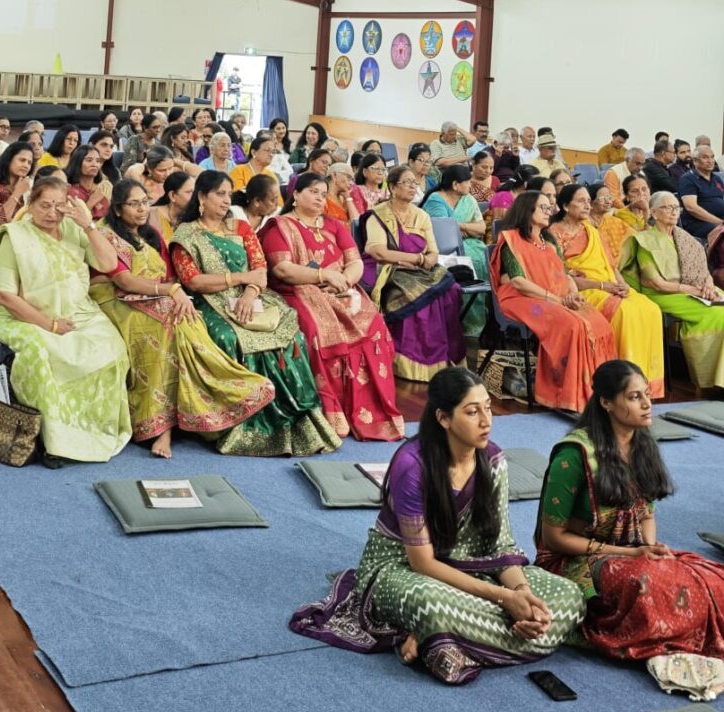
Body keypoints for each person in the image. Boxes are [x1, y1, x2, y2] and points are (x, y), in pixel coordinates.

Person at [291, 367, 585, 685]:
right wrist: (503, 600)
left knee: (568, 596)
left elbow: (499, 547)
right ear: (443, 418)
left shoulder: (494, 461)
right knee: (431, 603)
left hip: (475, 568)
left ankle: (442, 637)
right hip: (403, 569)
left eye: (488, 407)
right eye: (472, 412)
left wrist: (522, 595)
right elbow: (423, 563)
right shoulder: (412, 466)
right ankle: (447, 630)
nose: (487, 420)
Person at [536, 360, 724, 660]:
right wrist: (629, 555)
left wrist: (650, 548)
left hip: (632, 552)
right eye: (635, 397)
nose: (648, 404)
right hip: (575, 560)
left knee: (710, 577)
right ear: (606, 402)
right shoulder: (575, 455)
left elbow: (646, 513)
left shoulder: (642, 444)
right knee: (647, 586)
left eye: (647, 394)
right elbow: (553, 538)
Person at [90, 179, 274, 458]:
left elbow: (171, 277)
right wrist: (171, 291)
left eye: (144, 202)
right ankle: (159, 428)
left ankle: (205, 404)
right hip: (114, 299)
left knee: (185, 317)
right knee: (166, 324)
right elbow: (124, 280)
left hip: (156, 296)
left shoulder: (149, 235)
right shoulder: (105, 234)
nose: (141, 209)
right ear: (117, 209)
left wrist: (176, 294)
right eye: (133, 204)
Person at [169, 171, 342, 456]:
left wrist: (249, 294)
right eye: (219, 194)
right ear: (201, 197)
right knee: (227, 338)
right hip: (210, 302)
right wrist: (238, 280)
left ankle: (298, 423)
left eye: (228, 194)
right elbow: (193, 281)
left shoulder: (240, 228)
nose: (227, 200)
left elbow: (261, 271)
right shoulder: (186, 235)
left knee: (293, 337)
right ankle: (239, 424)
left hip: (252, 297)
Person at [0, 175, 131, 464]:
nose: (52, 213)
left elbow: (109, 264)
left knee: (111, 347)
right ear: (30, 204)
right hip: (22, 316)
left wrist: (88, 224)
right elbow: (6, 296)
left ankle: (93, 429)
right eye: (45, 205)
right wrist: (50, 326)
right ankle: (53, 440)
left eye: (60, 206)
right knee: (44, 350)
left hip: (77, 311)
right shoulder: (16, 237)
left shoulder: (75, 230)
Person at [259, 173, 404, 440]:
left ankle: (368, 413)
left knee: (375, 327)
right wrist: (323, 276)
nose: (319, 197)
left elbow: (355, 261)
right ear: (296, 194)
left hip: (341, 288)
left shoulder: (335, 225)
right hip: (297, 290)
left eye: (323, 193)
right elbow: (283, 269)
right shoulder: (278, 226)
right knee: (316, 331)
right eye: (312, 191)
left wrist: (344, 281)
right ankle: (332, 414)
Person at [489, 190, 616, 412]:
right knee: (572, 325)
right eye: (544, 208)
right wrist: (556, 299)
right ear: (528, 210)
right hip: (519, 298)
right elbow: (517, 281)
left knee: (598, 321)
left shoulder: (549, 242)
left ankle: (598, 391)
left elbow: (565, 274)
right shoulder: (511, 239)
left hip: (553, 295)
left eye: (551, 207)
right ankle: (564, 394)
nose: (551, 212)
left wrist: (573, 293)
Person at [549, 185, 665, 398]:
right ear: (565, 206)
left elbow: (611, 266)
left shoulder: (592, 231)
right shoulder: (554, 234)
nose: (587, 204)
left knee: (650, 309)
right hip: (586, 290)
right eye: (581, 200)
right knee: (624, 313)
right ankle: (622, 383)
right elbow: (562, 276)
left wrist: (622, 285)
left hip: (609, 285)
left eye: (587, 200)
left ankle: (647, 384)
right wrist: (603, 286)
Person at [363, 166, 467, 377]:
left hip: (420, 271)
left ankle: (446, 358)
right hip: (392, 270)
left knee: (451, 290)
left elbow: (433, 251)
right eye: (407, 182)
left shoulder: (421, 215)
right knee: (419, 295)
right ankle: (413, 363)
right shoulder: (378, 215)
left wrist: (428, 259)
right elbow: (379, 251)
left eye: (414, 183)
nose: (413, 187)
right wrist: (418, 259)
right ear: (392, 187)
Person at [620, 191, 724, 390]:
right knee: (720, 315)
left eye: (677, 207)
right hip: (664, 294)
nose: (674, 212)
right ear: (654, 213)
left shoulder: (687, 239)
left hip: (695, 290)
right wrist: (693, 290)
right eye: (668, 207)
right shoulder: (645, 240)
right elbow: (654, 283)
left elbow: (704, 272)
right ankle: (714, 381)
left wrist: (708, 286)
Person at [422, 164, 487, 336]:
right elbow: (442, 233)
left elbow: (481, 228)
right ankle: (460, 323)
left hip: (470, 245)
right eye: (467, 182)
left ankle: (476, 324)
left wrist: (460, 226)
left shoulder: (469, 200)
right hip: (441, 250)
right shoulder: (436, 200)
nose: (470, 185)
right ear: (455, 185)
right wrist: (466, 230)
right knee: (472, 258)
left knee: (483, 256)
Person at [678, 145, 724, 240]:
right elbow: (691, 208)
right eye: (705, 157)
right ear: (695, 161)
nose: (710, 161)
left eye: (712, 157)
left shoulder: (717, 178)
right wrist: (719, 222)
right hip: (698, 223)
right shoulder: (688, 179)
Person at [487, 166, 541, 241]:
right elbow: (500, 228)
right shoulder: (502, 197)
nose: (540, 185)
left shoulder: (532, 198)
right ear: (525, 184)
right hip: (504, 240)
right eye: (537, 182)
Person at [585, 182, 634, 265]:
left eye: (609, 197)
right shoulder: (583, 225)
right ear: (591, 203)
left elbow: (636, 237)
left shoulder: (614, 221)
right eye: (603, 198)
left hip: (620, 265)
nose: (608, 202)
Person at [66, 144, 112, 219]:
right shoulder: (70, 191)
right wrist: (91, 203)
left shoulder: (105, 187)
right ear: (78, 163)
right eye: (89, 160)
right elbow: (73, 223)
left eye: (98, 161)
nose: (95, 164)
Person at [147, 171, 193, 242]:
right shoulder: (150, 215)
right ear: (172, 195)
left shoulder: (191, 217)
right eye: (189, 192)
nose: (195, 197)